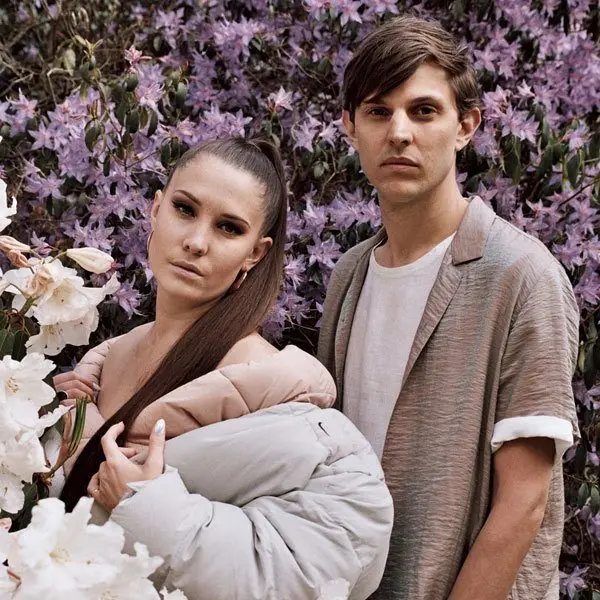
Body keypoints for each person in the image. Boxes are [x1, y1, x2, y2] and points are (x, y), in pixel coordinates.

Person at [54, 137, 393, 600]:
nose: (196, 243)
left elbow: (304, 574)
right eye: (184, 209)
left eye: (229, 228)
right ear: (155, 209)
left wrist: (146, 505)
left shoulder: (277, 393)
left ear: (256, 252)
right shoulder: (103, 362)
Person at [318, 16, 579, 600]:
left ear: (465, 127)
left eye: (423, 111)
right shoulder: (349, 276)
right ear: (351, 127)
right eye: (378, 111)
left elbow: (524, 503)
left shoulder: (521, 274)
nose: (399, 132)